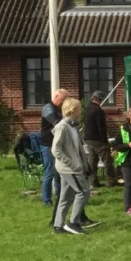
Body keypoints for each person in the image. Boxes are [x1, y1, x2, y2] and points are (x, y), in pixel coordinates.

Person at [51, 99, 92, 235]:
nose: (81, 111)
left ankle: (58, 226)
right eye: (79, 109)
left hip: (73, 167)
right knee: (84, 192)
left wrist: (84, 165)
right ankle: (73, 223)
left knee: (66, 197)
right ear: (72, 110)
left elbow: (78, 148)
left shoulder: (73, 126)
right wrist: (71, 163)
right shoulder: (62, 127)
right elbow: (55, 150)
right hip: (69, 168)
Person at [84, 90, 118, 188]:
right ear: (100, 99)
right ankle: (111, 181)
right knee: (107, 160)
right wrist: (105, 140)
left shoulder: (87, 109)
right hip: (98, 139)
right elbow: (101, 126)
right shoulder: (98, 110)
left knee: (92, 160)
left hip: (88, 139)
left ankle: (93, 181)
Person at [40, 89, 67, 206]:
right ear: (56, 97)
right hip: (48, 145)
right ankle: (46, 200)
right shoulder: (48, 109)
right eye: (63, 99)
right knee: (50, 172)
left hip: (58, 144)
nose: (64, 101)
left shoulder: (59, 109)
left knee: (58, 172)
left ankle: (59, 196)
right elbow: (56, 122)